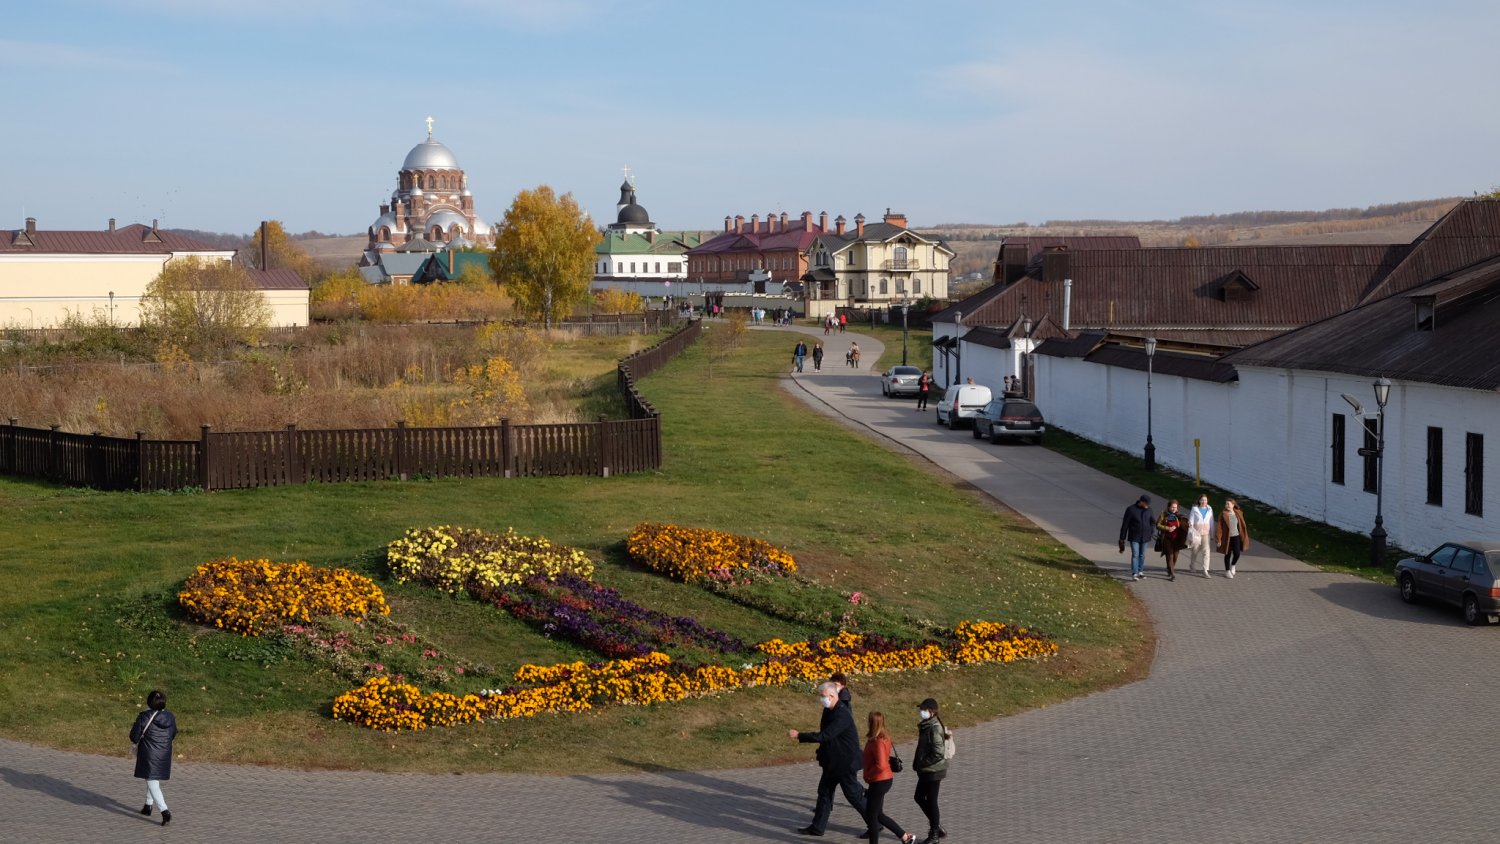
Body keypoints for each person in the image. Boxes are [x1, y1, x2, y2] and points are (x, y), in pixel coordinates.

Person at [791, 682, 867, 836]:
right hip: (833, 762)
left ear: (833, 696)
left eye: (823, 696)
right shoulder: (829, 710)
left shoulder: (841, 714)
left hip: (845, 763)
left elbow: (825, 735)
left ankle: (876, 823)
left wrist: (800, 735)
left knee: (853, 796)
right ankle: (817, 827)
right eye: (821, 696)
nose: (822, 699)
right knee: (824, 793)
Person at [862, 712, 919, 844]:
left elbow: (881, 764)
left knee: (871, 816)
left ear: (872, 723)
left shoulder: (878, 741)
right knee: (878, 814)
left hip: (879, 780)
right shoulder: (881, 737)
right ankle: (905, 837)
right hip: (883, 779)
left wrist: (869, 774)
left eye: (869, 720)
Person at [130, 689, 178, 827]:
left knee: (152, 781)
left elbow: (134, 736)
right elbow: (173, 733)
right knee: (152, 777)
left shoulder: (145, 716)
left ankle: (165, 811)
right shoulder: (170, 717)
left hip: (149, 752)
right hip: (164, 752)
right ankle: (148, 806)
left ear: (149, 702)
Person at [912, 697, 950, 844]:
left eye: (924, 710)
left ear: (931, 712)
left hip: (934, 770)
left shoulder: (934, 728)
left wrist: (922, 763)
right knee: (919, 797)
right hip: (927, 770)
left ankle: (934, 834)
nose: (921, 712)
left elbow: (938, 753)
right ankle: (937, 826)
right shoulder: (927, 725)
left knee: (931, 800)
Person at [1118, 493, 1155, 581]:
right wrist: (1122, 538)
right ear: (1141, 502)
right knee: (1135, 554)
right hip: (1134, 536)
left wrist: (1151, 531)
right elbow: (1125, 525)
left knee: (1142, 555)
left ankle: (1140, 571)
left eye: (1148, 504)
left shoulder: (1149, 510)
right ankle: (1135, 573)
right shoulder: (1131, 510)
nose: (1147, 506)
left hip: (1145, 537)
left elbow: (1153, 521)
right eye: (1146, 504)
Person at [1217, 498, 1251, 578]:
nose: (1227, 506)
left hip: (1236, 536)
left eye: (1228, 504)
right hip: (1227, 538)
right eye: (1226, 504)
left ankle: (1233, 565)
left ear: (1233, 505)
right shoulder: (1223, 514)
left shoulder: (1238, 513)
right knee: (1227, 554)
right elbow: (1219, 527)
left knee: (1237, 553)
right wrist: (1218, 539)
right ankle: (1227, 571)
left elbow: (1242, 525)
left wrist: (1243, 535)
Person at [1155, 499, 1188, 581]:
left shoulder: (1179, 516)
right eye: (1172, 507)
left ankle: (1169, 568)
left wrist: (1188, 524)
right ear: (1169, 507)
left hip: (1177, 540)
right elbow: (1157, 525)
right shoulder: (1164, 515)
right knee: (1170, 556)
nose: (1174, 509)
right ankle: (1172, 574)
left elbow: (1184, 526)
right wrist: (1167, 528)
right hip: (1167, 538)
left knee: (1175, 557)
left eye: (1175, 507)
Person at [1188, 494, 1214, 577]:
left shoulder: (1209, 509)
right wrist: (1191, 528)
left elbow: (1212, 522)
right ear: (1199, 501)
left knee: (1206, 551)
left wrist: (1212, 534)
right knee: (1195, 550)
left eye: (1205, 500)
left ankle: (1205, 570)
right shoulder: (1195, 509)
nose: (1204, 502)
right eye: (1202, 500)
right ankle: (1192, 565)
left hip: (1206, 533)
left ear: (1207, 501)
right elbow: (1191, 520)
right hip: (1196, 533)